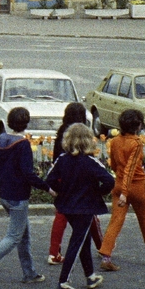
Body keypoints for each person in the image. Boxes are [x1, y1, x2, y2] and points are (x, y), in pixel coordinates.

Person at [0, 107, 49, 288]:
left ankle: (29, 273)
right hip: (18, 196)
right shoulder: (23, 145)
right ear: (26, 123)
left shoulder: (0, 141)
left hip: (5, 195)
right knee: (14, 237)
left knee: (23, 234)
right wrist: (47, 188)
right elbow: (28, 173)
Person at [46, 123, 115, 289]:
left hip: (66, 206)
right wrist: (97, 193)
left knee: (83, 240)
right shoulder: (90, 161)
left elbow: (50, 179)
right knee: (77, 242)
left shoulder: (62, 159)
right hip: (85, 207)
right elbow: (109, 181)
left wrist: (61, 192)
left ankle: (90, 275)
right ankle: (63, 281)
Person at [99, 109, 145, 270]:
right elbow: (131, 168)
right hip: (136, 187)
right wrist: (126, 191)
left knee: (115, 222)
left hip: (118, 184)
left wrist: (121, 187)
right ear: (137, 126)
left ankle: (106, 255)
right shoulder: (136, 143)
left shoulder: (115, 141)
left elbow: (114, 165)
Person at [48, 102, 105, 268]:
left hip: (62, 178)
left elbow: (55, 159)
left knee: (61, 214)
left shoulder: (61, 133)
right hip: (80, 179)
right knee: (91, 214)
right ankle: (102, 247)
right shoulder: (82, 135)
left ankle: (54, 251)